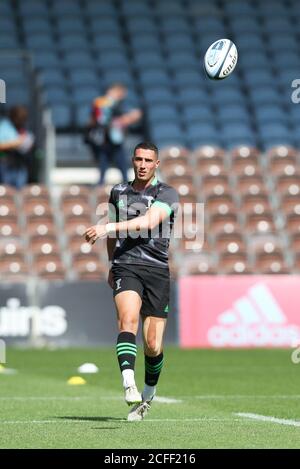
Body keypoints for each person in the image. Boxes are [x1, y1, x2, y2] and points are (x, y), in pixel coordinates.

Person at [85, 142, 179, 421]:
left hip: (156, 269)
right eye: (138, 159)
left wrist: (107, 227)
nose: (142, 164)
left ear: (156, 164)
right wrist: (112, 263)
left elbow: (149, 223)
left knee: (152, 344)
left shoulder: (167, 193)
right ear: (132, 160)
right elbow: (113, 237)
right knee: (127, 321)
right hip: (127, 266)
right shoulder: (118, 191)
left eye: (148, 160)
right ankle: (129, 381)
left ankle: (148, 395)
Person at [84, 83, 142, 185]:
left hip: (114, 138)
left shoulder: (117, 104)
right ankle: (102, 184)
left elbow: (130, 116)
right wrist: (125, 119)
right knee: (105, 161)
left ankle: (122, 183)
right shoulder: (102, 102)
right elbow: (102, 120)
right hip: (104, 138)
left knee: (119, 162)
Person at [0, 106, 34, 188]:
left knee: (20, 192)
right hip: (6, 164)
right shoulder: (4, 126)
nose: (21, 121)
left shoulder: (22, 128)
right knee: (7, 191)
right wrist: (15, 143)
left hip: (20, 164)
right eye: (19, 119)